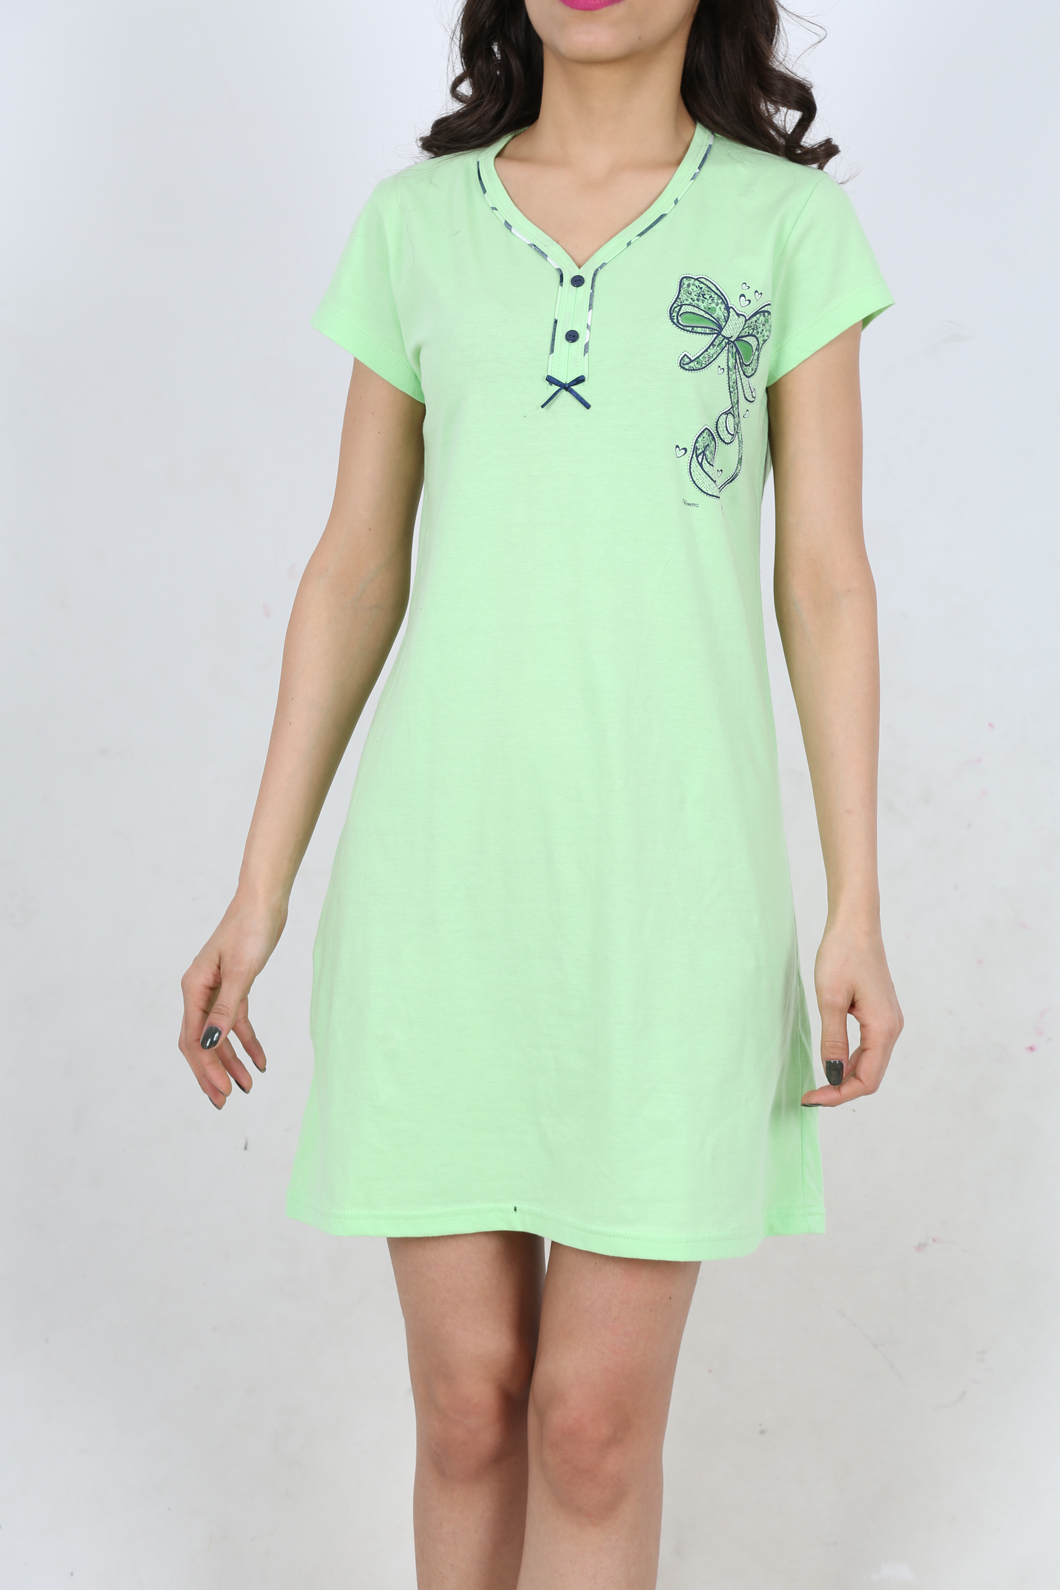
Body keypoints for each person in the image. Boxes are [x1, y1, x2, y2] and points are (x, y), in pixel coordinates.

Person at [178, 0, 905, 1583]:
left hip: (672, 906)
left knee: (590, 1423)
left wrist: (857, 901)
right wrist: (258, 891)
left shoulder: (788, 229)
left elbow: (827, 581)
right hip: (443, 900)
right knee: (466, 1407)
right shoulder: (416, 225)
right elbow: (352, 568)